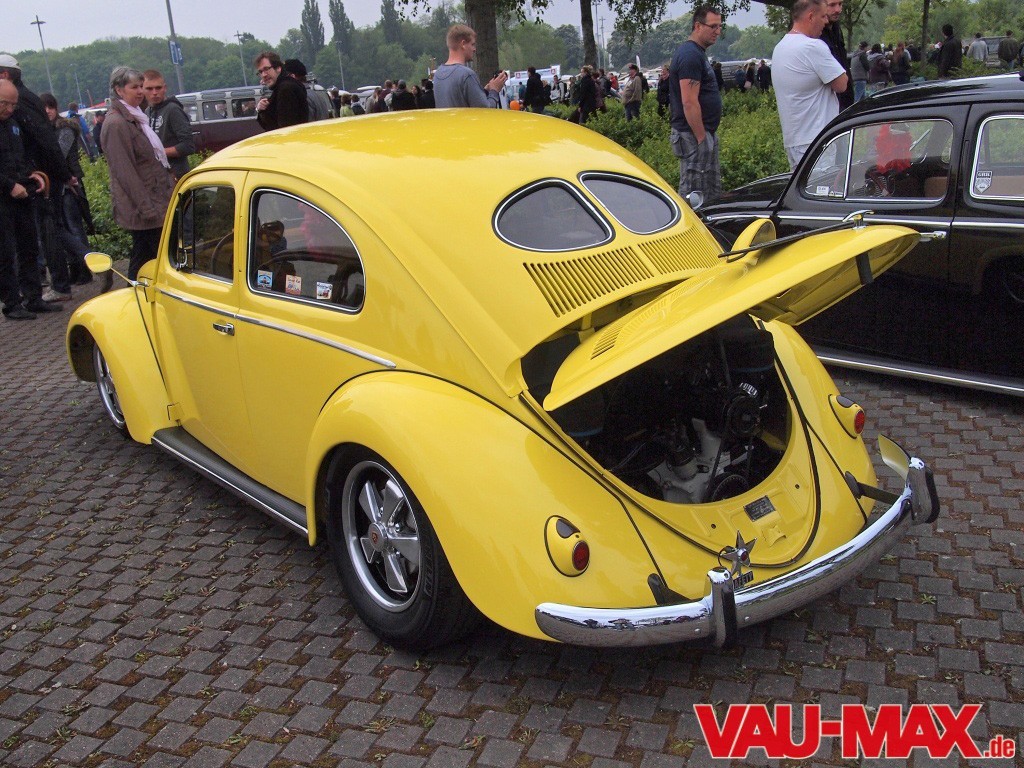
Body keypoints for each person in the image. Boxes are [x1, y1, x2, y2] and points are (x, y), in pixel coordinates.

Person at [103, 66, 176, 280]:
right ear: (119, 90)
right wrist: (146, 208)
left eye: (140, 86)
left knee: (148, 255)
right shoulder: (117, 123)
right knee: (148, 256)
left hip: (153, 200)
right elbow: (124, 172)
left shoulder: (135, 117)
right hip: (143, 205)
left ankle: (137, 290)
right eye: (134, 87)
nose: (140, 92)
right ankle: (135, 292)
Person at [0, 78, 62, 319]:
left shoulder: (13, 124)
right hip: (4, 197)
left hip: (22, 193)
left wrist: (30, 175)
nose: (10, 109)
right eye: (5, 104)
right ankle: (11, 304)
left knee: (29, 246)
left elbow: (19, 158)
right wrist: (9, 186)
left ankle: (33, 297)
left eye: (13, 104)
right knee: (5, 252)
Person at [771, 0, 848, 170]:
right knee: (823, 185)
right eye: (823, 16)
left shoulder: (780, 47)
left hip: (794, 139)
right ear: (811, 16)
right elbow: (842, 84)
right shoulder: (812, 46)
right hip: (817, 139)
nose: (826, 22)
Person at [668, 6, 724, 204]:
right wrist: (701, 138)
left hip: (700, 133)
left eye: (720, 26)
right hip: (692, 135)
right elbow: (689, 102)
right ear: (698, 26)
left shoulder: (697, 53)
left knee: (708, 194)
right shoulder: (690, 55)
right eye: (713, 26)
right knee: (694, 196)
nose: (718, 31)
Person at [41, 92, 94, 293]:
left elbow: (59, 155)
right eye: (44, 108)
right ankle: (75, 268)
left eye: (51, 107)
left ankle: (85, 269)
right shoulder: (47, 130)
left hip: (70, 183)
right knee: (63, 227)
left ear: (56, 108)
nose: (48, 111)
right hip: (57, 185)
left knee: (74, 227)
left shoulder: (65, 129)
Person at [433, 24, 507, 108]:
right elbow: (485, 110)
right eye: (472, 44)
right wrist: (494, 90)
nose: (474, 49)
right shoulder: (466, 75)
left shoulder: (438, 73)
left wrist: (485, 91)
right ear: (463, 44)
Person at [142, 69, 195, 180]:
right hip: (158, 176)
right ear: (142, 89)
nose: (154, 92)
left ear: (165, 88)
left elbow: (188, 146)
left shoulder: (173, 110)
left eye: (158, 88)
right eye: (149, 89)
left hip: (177, 175)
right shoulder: (147, 112)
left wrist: (158, 153)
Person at [254, 51, 308, 130]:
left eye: (266, 69)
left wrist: (263, 111)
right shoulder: (285, 86)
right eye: (260, 72)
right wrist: (261, 109)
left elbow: (284, 129)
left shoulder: (286, 90)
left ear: (278, 68)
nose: (263, 75)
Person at [820, 0, 853, 110]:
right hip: (830, 105)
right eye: (832, 5)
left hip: (845, 102)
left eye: (840, 4)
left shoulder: (836, 29)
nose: (838, 10)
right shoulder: (816, 35)